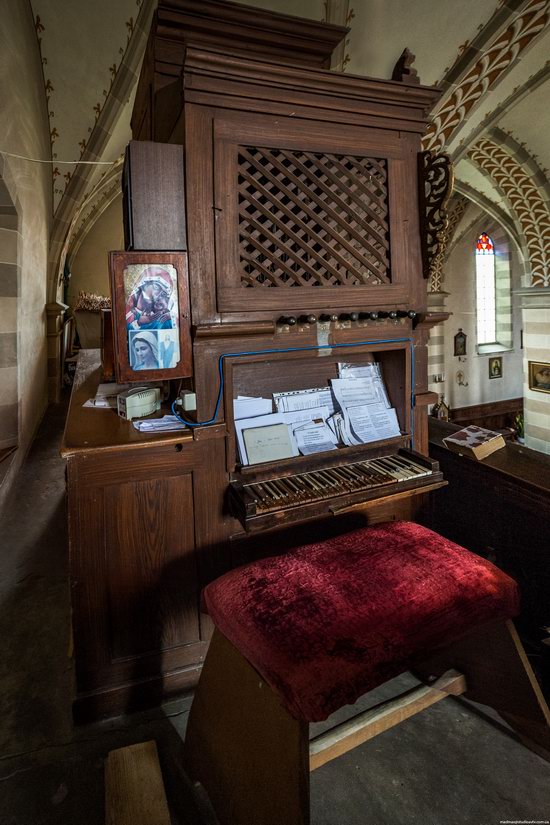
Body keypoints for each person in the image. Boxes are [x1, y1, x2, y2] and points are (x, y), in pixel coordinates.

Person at [125, 266, 175, 330]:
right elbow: (124, 333)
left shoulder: (160, 315)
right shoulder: (129, 312)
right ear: (143, 285)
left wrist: (171, 317)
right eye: (156, 287)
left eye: (162, 293)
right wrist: (139, 322)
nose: (158, 295)